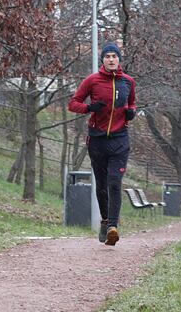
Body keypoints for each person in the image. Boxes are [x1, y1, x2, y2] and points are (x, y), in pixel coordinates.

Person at [68, 42, 136, 246]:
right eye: (107, 56)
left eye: (115, 55)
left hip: (120, 139)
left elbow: (131, 102)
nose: (111, 59)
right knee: (102, 186)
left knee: (115, 181)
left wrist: (131, 112)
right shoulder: (92, 80)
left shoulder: (128, 82)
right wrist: (89, 108)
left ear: (119, 59)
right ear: (103, 60)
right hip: (97, 140)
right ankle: (105, 221)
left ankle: (113, 227)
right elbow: (73, 104)